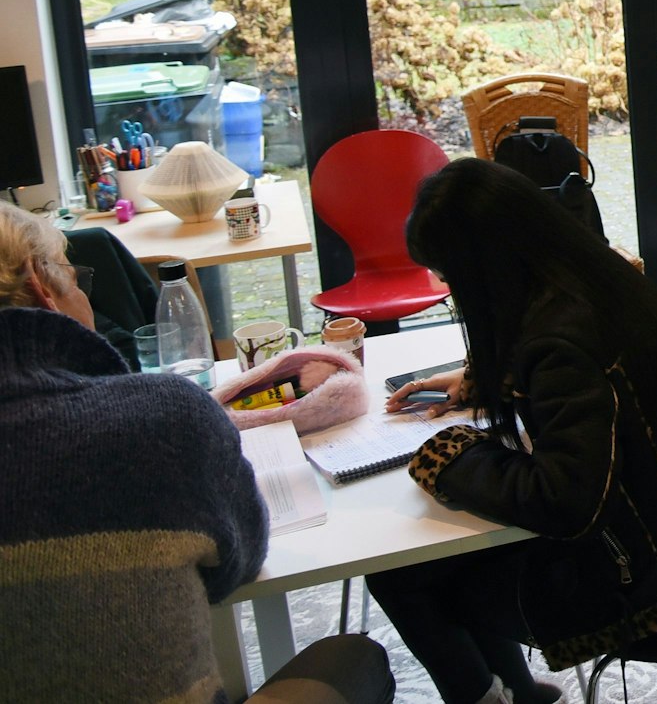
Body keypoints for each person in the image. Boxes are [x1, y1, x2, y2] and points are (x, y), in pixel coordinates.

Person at [367, 159, 657, 704]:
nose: (450, 292)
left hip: (637, 575)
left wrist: (452, 456)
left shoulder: (561, 345)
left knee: (402, 573)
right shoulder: (597, 278)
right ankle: (517, 691)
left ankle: (492, 698)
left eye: (450, 278)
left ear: (485, 269)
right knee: (432, 559)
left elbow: (566, 502)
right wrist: (482, 376)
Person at [0, 202, 393, 703]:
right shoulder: (161, 420)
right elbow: (238, 564)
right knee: (356, 658)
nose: (82, 294)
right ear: (41, 286)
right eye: (77, 278)